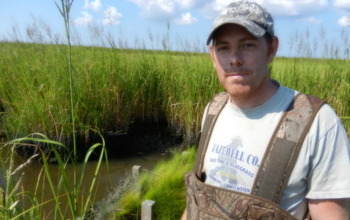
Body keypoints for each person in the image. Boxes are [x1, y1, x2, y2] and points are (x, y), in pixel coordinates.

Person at [181, 1, 350, 219]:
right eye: (224, 48)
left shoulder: (317, 122)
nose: (234, 59)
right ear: (213, 55)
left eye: (248, 45)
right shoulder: (213, 110)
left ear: (271, 49)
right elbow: (195, 202)